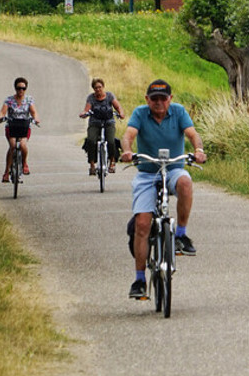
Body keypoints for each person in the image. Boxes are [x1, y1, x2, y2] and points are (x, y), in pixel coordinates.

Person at [119, 79, 207, 300]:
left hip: (174, 167)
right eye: (154, 99)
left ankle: (181, 236)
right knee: (142, 224)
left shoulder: (178, 112)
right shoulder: (140, 113)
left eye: (163, 98)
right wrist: (128, 151)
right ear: (147, 99)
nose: (159, 103)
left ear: (170, 99)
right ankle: (139, 279)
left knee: (186, 183)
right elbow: (128, 135)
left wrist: (198, 150)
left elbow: (193, 134)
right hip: (148, 172)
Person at [0, 76, 41, 183]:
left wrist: (36, 119)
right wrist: (0, 116)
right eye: (18, 88)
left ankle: (25, 163)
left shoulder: (29, 100)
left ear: (26, 89)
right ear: (15, 88)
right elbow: (3, 111)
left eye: (23, 88)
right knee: (12, 146)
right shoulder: (9, 100)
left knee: (23, 145)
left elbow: (34, 112)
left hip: (24, 126)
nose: (21, 90)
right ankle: (6, 172)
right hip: (12, 126)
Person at [79, 78, 124, 175]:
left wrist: (121, 113)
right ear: (93, 89)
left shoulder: (109, 96)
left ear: (103, 87)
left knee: (111, 141)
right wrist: (84, 113)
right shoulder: (91, 98)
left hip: (108, 122)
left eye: (100, 87)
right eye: (96, 88)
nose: (98, 89)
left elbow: (118, 106)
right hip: (95, 123)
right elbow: (87, 109)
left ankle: (112, 162)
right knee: (91, 140)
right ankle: (92, 165)